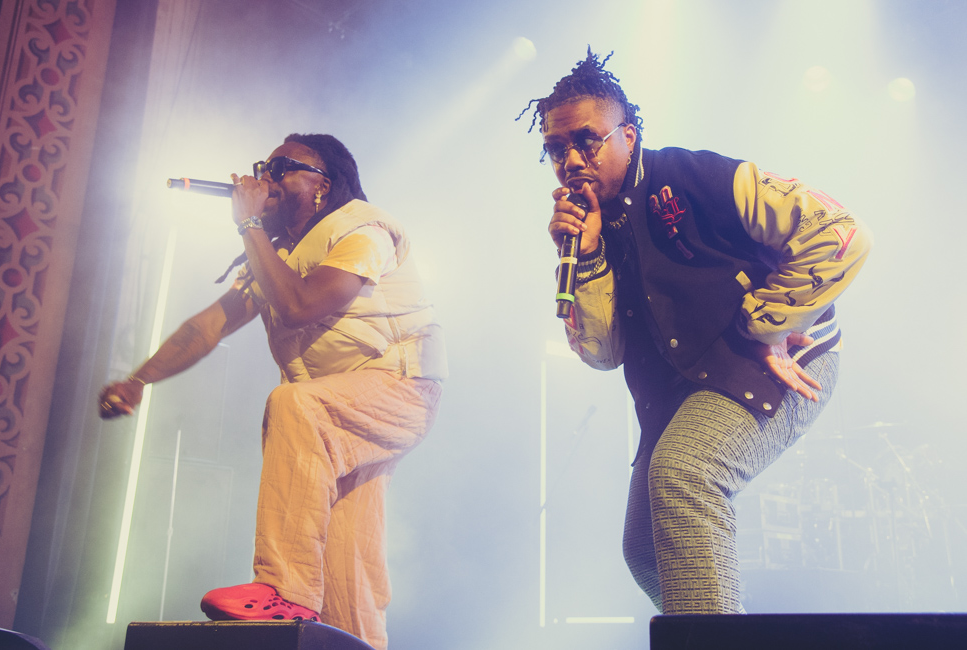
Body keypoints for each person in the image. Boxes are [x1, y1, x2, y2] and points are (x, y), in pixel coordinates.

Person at [519, 49, 871, 614]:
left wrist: (771, 323)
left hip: (778, 358)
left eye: (586, 140)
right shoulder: (586, 230)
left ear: (628, 136)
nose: (570, 160)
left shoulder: (694, 175)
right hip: (685, 384)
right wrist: (585, 258)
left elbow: (840, 232)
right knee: (646, 554)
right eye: (556, 150)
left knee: (686, 473)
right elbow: (605, 354)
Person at [98, 133, 446, 649]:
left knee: (292, 404)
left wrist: (249, 224)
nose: (266, 177)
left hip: (401, 389)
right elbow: (209, 325)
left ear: (322, 186)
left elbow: (301, 306)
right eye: (265, 165)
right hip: (340, 415)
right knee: (350, 575)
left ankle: (283, 588)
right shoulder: (276, 255)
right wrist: (138, 379)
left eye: (283, 167)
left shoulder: (362, 230)